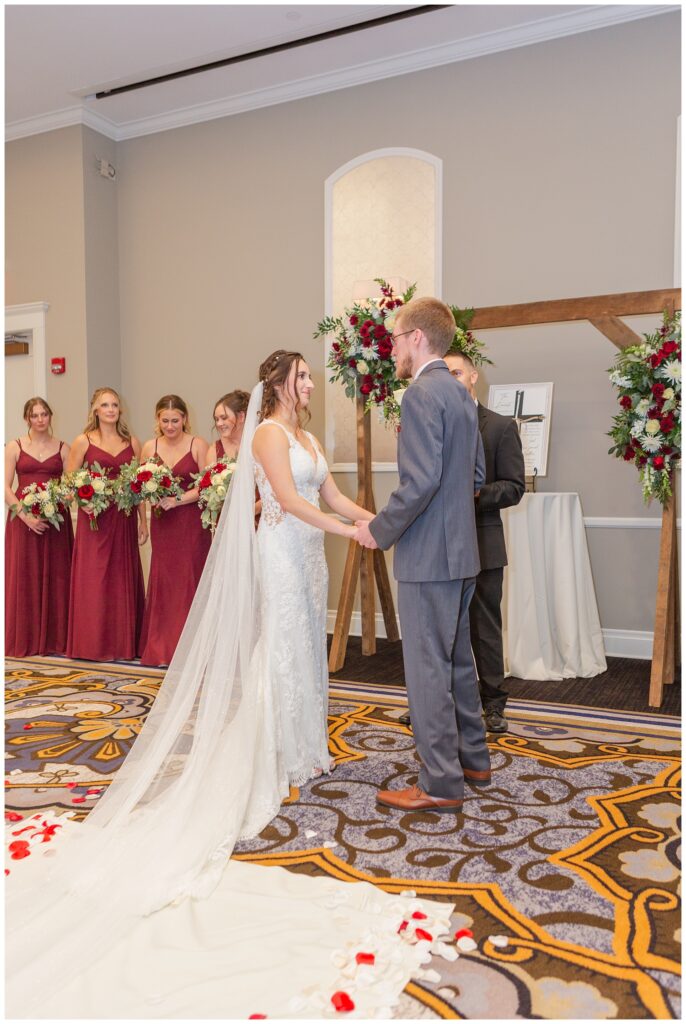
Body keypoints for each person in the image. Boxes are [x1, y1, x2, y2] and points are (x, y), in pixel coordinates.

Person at [10, 353, 444, 1020]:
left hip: (308, 560)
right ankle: (270, 750)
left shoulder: (307, 438)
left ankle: (303, 745)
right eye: (300, 376)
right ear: (277, 385)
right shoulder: (269, 435)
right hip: (281, 553)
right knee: (282, 652)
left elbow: (329, 494)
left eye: (307, 378)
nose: (308, 385)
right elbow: (294, 502)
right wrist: (355, 532)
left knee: (304, 653)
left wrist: (381, 521)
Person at [354, 297, 490, 814]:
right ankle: (473, 760)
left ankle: (439, 782)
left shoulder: (419, 395)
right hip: (462, 553)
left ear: (416, 337)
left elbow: (420, 483)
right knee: (457, 661)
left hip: (427, 558)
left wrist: (379, 529)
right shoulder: (461, 395)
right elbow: (473, 479)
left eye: (394, 337)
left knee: (428, 669)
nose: (391, 348)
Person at [445, 351, 525, 733]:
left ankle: (494, 704)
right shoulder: (436, 424)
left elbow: (514, 487)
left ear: (473, 376)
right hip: (442, 545)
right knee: (444, 628)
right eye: (445, 374)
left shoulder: (499, 427)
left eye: (457, 372)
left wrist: (475, 495)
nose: (452, 378)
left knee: (484, 628)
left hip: (483, 544)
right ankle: (440, 702)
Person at [65, 387, 147, 661]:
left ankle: (122, 643)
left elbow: (139, 486)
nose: (111, 409)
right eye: (105, 405)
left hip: (123, 518)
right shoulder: (83, 441)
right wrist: (82, 500)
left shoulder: (132, 442)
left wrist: (142, 522)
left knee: (120, 578)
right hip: (95, 520)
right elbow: (69, 480)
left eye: (114, 405)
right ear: (96, 410)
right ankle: (92, 643)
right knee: (95, 579)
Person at [138, 395, 210, 667]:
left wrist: (177, 499)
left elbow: (207, 484)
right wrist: (147, 510)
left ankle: (191, 650)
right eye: (165, 420)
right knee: (165, 581)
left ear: (185, 419)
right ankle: (162, 647)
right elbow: (141, 485)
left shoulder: (197, 444)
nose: (170, 426)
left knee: (189, 578)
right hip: (162, 523)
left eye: (175, 420)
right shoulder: (149, 447)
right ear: (158, 420)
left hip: (190, 523)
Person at [5, 397, 73, 657]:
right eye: (35, 415)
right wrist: (25, 516)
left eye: (44, 414)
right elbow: (6, 488)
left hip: (56, 522)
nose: (40, 419)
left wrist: (55, 507)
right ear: (27, 419)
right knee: (25, 575)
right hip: (22, 522)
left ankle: (56, 639)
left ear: (50, 416)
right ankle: (26, 638)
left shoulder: (64, 448)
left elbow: (70, 488)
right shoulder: (15, 446)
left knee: (58, 575)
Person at [210, 389, 250, 461]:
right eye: (216, 419)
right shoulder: (214, 451)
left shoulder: (259, 443)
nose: (219, 424)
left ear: (241, 416)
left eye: (224, 418)